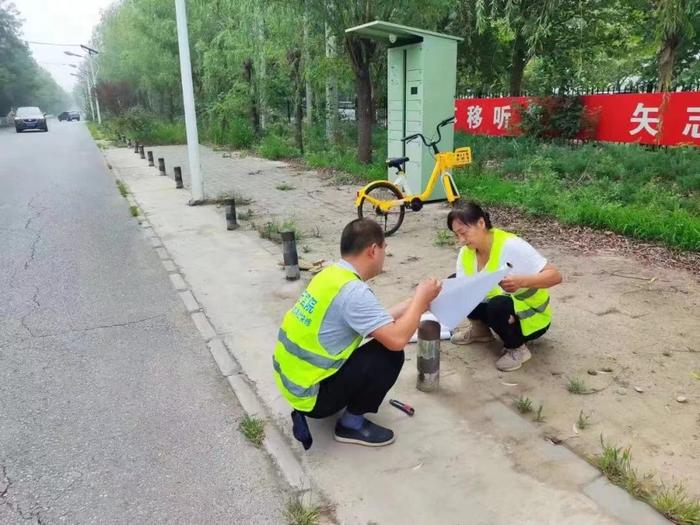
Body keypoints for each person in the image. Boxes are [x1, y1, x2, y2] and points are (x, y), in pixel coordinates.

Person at [273, 218, 441, 448]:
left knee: (379, 345)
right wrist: (421, 297)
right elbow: (396, 339)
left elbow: (372, 324)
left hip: (292, 381)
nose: (384, 255)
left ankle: (338, 401)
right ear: (373, 250)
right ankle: (350, 425)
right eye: (384, 249)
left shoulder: (331, 275)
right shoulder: (354, 293)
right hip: (312, 397)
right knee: (389, 355)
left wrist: (414, 304)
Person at [448, 202, 562, 371]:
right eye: (457, 235)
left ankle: (517, 348)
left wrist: (521, 281)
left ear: (481, 223)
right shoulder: (467, 252)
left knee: (498, 305)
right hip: (499, 306)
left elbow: (555, 276)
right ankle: (480, 331)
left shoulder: (511, 245)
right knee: (455, 283)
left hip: (530, 316)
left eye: (464, 233)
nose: (461, 240)